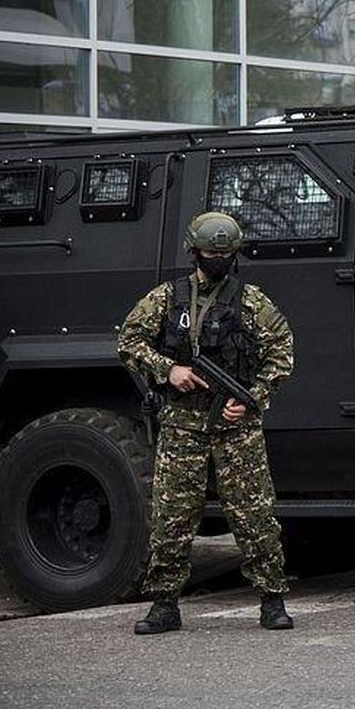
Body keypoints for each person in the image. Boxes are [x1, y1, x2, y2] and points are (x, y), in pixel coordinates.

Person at [117, 212, 297, 633]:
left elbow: (282, 352)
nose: (217, 260)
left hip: (236, 426)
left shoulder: (250, 301)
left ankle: (272, 600)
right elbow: (129, 340)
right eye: (211, 253)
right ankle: (164, 604)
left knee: (255, 515)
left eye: (225, 254)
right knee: (172, 516)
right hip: (182, 423)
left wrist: (253, 400)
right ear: (194, 252)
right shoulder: (167, 298)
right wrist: (168, 370)